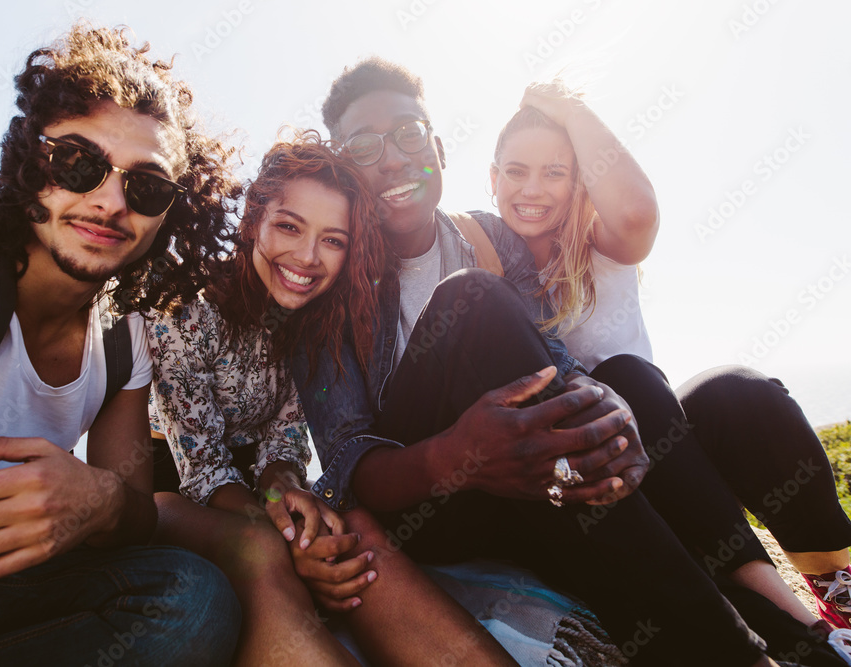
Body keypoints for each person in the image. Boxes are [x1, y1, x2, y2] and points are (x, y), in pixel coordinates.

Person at [291, 56, 792, 666]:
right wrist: (460, 454)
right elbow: (348, 460)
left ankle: (783, 622)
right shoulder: (325, 279)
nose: (392, 158)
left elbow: (546, 356)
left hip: (524, 478)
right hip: (428, 497)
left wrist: (597, 396)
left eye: (408, 133)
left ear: (439, 149)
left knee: (624, 380)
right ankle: (730, 654)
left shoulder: (489, 236)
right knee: (470, 299)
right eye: (364, 147)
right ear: (343, 170)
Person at [0, 25, 242, 665]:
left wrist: (102, 499)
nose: (111, 201)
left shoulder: (124, 338)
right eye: (79, 163)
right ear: (32, 164)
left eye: (147, 187)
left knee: (192, 597)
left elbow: (134, 513)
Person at [488, 81, 851, 659]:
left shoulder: (599, 245)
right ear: (493, 178)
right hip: (592, 484)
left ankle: (837, 588)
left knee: (737, 393)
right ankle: (804, 635)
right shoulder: (482, 255)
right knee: (621, 383)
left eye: (555, 172)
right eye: (516, 171)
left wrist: (567, 106)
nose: (532, 189)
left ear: (580, 180)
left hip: (664, 443)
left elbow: (635, 208)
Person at [146, 132, 517, 666]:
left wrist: (287, 501)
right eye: (289, 227)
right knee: (270, 549)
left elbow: (284, 448)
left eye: (333, 240)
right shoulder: (186, 312)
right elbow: (204, 473)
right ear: (254, 222)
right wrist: (292, 536)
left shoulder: (317, 323)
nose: (307, 257)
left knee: (350, 528)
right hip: (177, 491)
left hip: (260, 488)